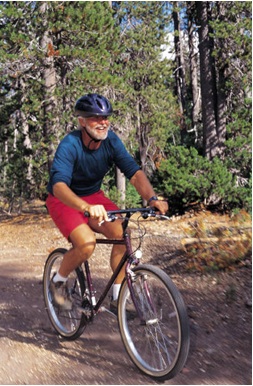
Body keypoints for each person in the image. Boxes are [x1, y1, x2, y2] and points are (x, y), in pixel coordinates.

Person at [46, 93, 168, 312]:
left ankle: (118, 298)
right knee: (86, 243)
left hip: (94, 197)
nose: (103, 123)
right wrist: (84, 207)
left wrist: (152, 198)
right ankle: (58, 281)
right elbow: (58, 186)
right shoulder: (70, 144)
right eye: (95, 118)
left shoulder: (111, 141)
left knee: (123, 234)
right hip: (64, 199)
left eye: (106, 117)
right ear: (82, 121)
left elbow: (133, 172)